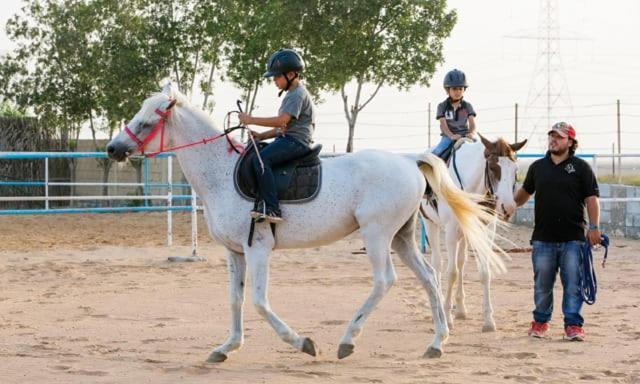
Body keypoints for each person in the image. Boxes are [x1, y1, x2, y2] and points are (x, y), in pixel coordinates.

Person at [514, 122, 601, 341]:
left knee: (573, 283)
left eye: (559, 137)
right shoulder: (537, 167)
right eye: (551, 136)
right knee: (542, 284)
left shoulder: (581, 168)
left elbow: (592, 199)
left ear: (570, 142)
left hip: (573, 238)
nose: (553, 139)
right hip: (543, 238)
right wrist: (508, 206)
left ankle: (573, 325)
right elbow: (524, 193)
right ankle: (540, 321)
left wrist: (594, 227)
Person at [238, 48, 316, 223]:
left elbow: (281, 121)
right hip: (289, 138)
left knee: (260, 160)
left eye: (277, 76)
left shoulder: (297, 94)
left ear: (290, 74)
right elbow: (283, 127)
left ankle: (272, 209)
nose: (274, 80)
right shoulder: (292, 94)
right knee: (258, 153)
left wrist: (250, 119)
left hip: (297, 142)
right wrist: (261, 136)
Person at [431, 69, 477, 160]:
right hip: (448, 137)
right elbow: (443, 125)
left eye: (461, 88)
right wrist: (451, 135)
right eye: (454, 89)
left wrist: (471, 132)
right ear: (448, 90)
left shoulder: (467, 106)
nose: (458, 91)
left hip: (465, 136)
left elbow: (472, 123)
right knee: (437, 152)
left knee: (482, 148)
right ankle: (426, 165)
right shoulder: (442, 106)